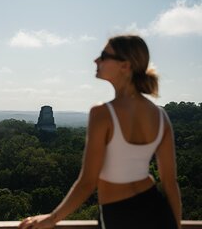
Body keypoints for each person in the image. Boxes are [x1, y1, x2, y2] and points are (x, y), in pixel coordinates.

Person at [18, 35, 182, 229]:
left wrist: (52, 219)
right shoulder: (160, 115)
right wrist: (175, 225)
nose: (96, 60)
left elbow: (87, 182)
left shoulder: (103, 113)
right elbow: (170, 184)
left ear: (125, 66)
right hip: (157, 211)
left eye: (104, 55)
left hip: (118, 215)